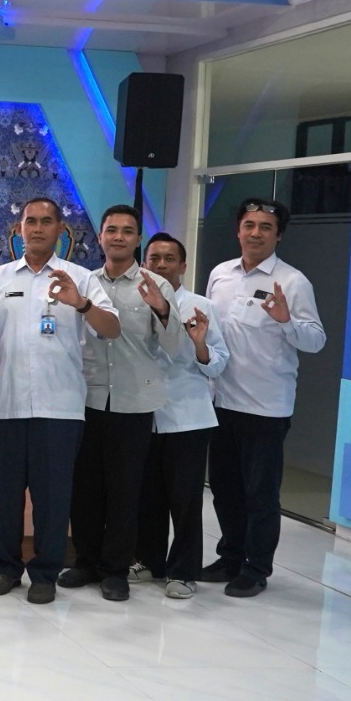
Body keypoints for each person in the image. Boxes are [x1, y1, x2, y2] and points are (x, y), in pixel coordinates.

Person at [0, 196, 119, 605]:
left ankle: (45, 574)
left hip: (61, 408)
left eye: (46, 222)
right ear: (18, 229)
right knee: (6, 496)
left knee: (53, 500)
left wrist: (81, 304)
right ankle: (5, 568)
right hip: (7, 405)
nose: (37, 228)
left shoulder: (81, 279)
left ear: (60, 230)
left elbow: (112, 329)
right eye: (30, 221)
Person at [202, 198, 325, 597]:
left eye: (266, 227)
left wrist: (287, 321)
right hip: (221, 401)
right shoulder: (220, 275)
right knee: (224, 490)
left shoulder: (292, 282)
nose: (256, 233)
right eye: (249, 225)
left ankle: (256, 569)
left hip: (265, 407)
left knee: (260, 494)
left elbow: (316, 340)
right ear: (238, 230)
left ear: (279, 236)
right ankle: (230, 557)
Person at [61, 205, 184, 601]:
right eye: (111, 230)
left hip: (134, 401)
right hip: (86, 398)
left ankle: (115, 570)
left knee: (125, 491)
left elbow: (175, 346)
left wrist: (162, 309)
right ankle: (86, 562)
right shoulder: (84, 282)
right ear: (100, 237)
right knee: (85, 488)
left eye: (127, 231)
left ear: (137, 239)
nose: (118, 237)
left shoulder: (155, 285)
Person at [138, 232, 228, 598]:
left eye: (169, 259)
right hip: (142, 413)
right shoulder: (133, 302)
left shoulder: (200, 306)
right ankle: (149, 561)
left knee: (185, 500)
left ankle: (183, 571)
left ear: (183, 266)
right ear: (144, 264)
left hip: (187, 418)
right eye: (154, 258)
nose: (161, 265)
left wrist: (199, 343)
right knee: (147, 496)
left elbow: (218, 364)